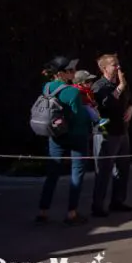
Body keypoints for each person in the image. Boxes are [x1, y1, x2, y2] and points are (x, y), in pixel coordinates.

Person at [37, 56, 92, 225]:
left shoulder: (47, 87)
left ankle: (43, 211)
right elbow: (78, 117)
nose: (74, 73)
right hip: (76, 136)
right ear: (61, 73)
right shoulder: (73, 92)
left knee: (52, 174)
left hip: (56, 135)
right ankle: (72, 213)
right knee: (77, 174)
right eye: (71, 70)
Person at [89, 54, 132, 218]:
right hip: (106, 131)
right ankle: (98, 205)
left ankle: (118, 201)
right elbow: (106, 103)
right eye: (114, 65)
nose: (118, 68)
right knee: (104, 170)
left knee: (122, 168)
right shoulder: (99, 86)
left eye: (118, 65)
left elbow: (129, 98)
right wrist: (120, 86)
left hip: (122, 130)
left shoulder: (120, 84)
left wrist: (130, 108)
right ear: (104, 68)